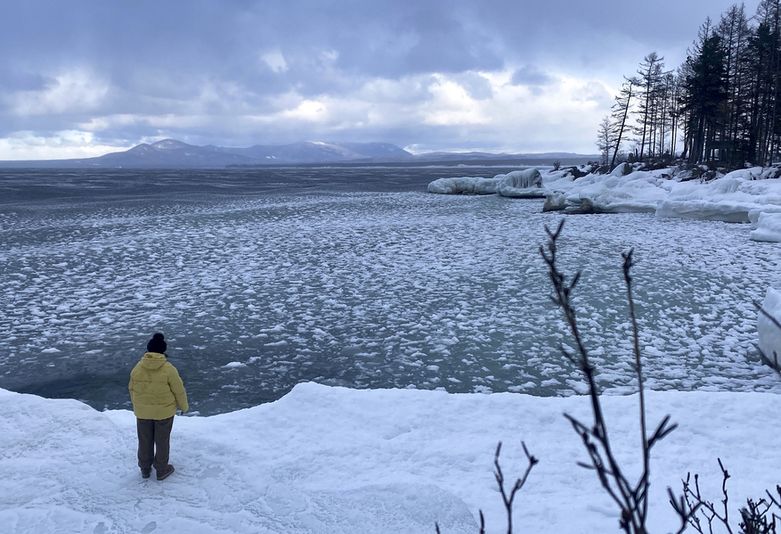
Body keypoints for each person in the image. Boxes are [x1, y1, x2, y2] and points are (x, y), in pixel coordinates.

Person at [128, 332, 188, 481]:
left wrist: (138, 405)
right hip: (164, 412)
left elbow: (131, 388)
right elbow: (178, 390)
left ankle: (145, 468)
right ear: (163, 350)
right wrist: (183, 406)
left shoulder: (138, 367)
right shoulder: (169, 368)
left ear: (148, 350)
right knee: (162, 440)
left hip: (142, 413)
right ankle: (161, 469)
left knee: (144, 439)